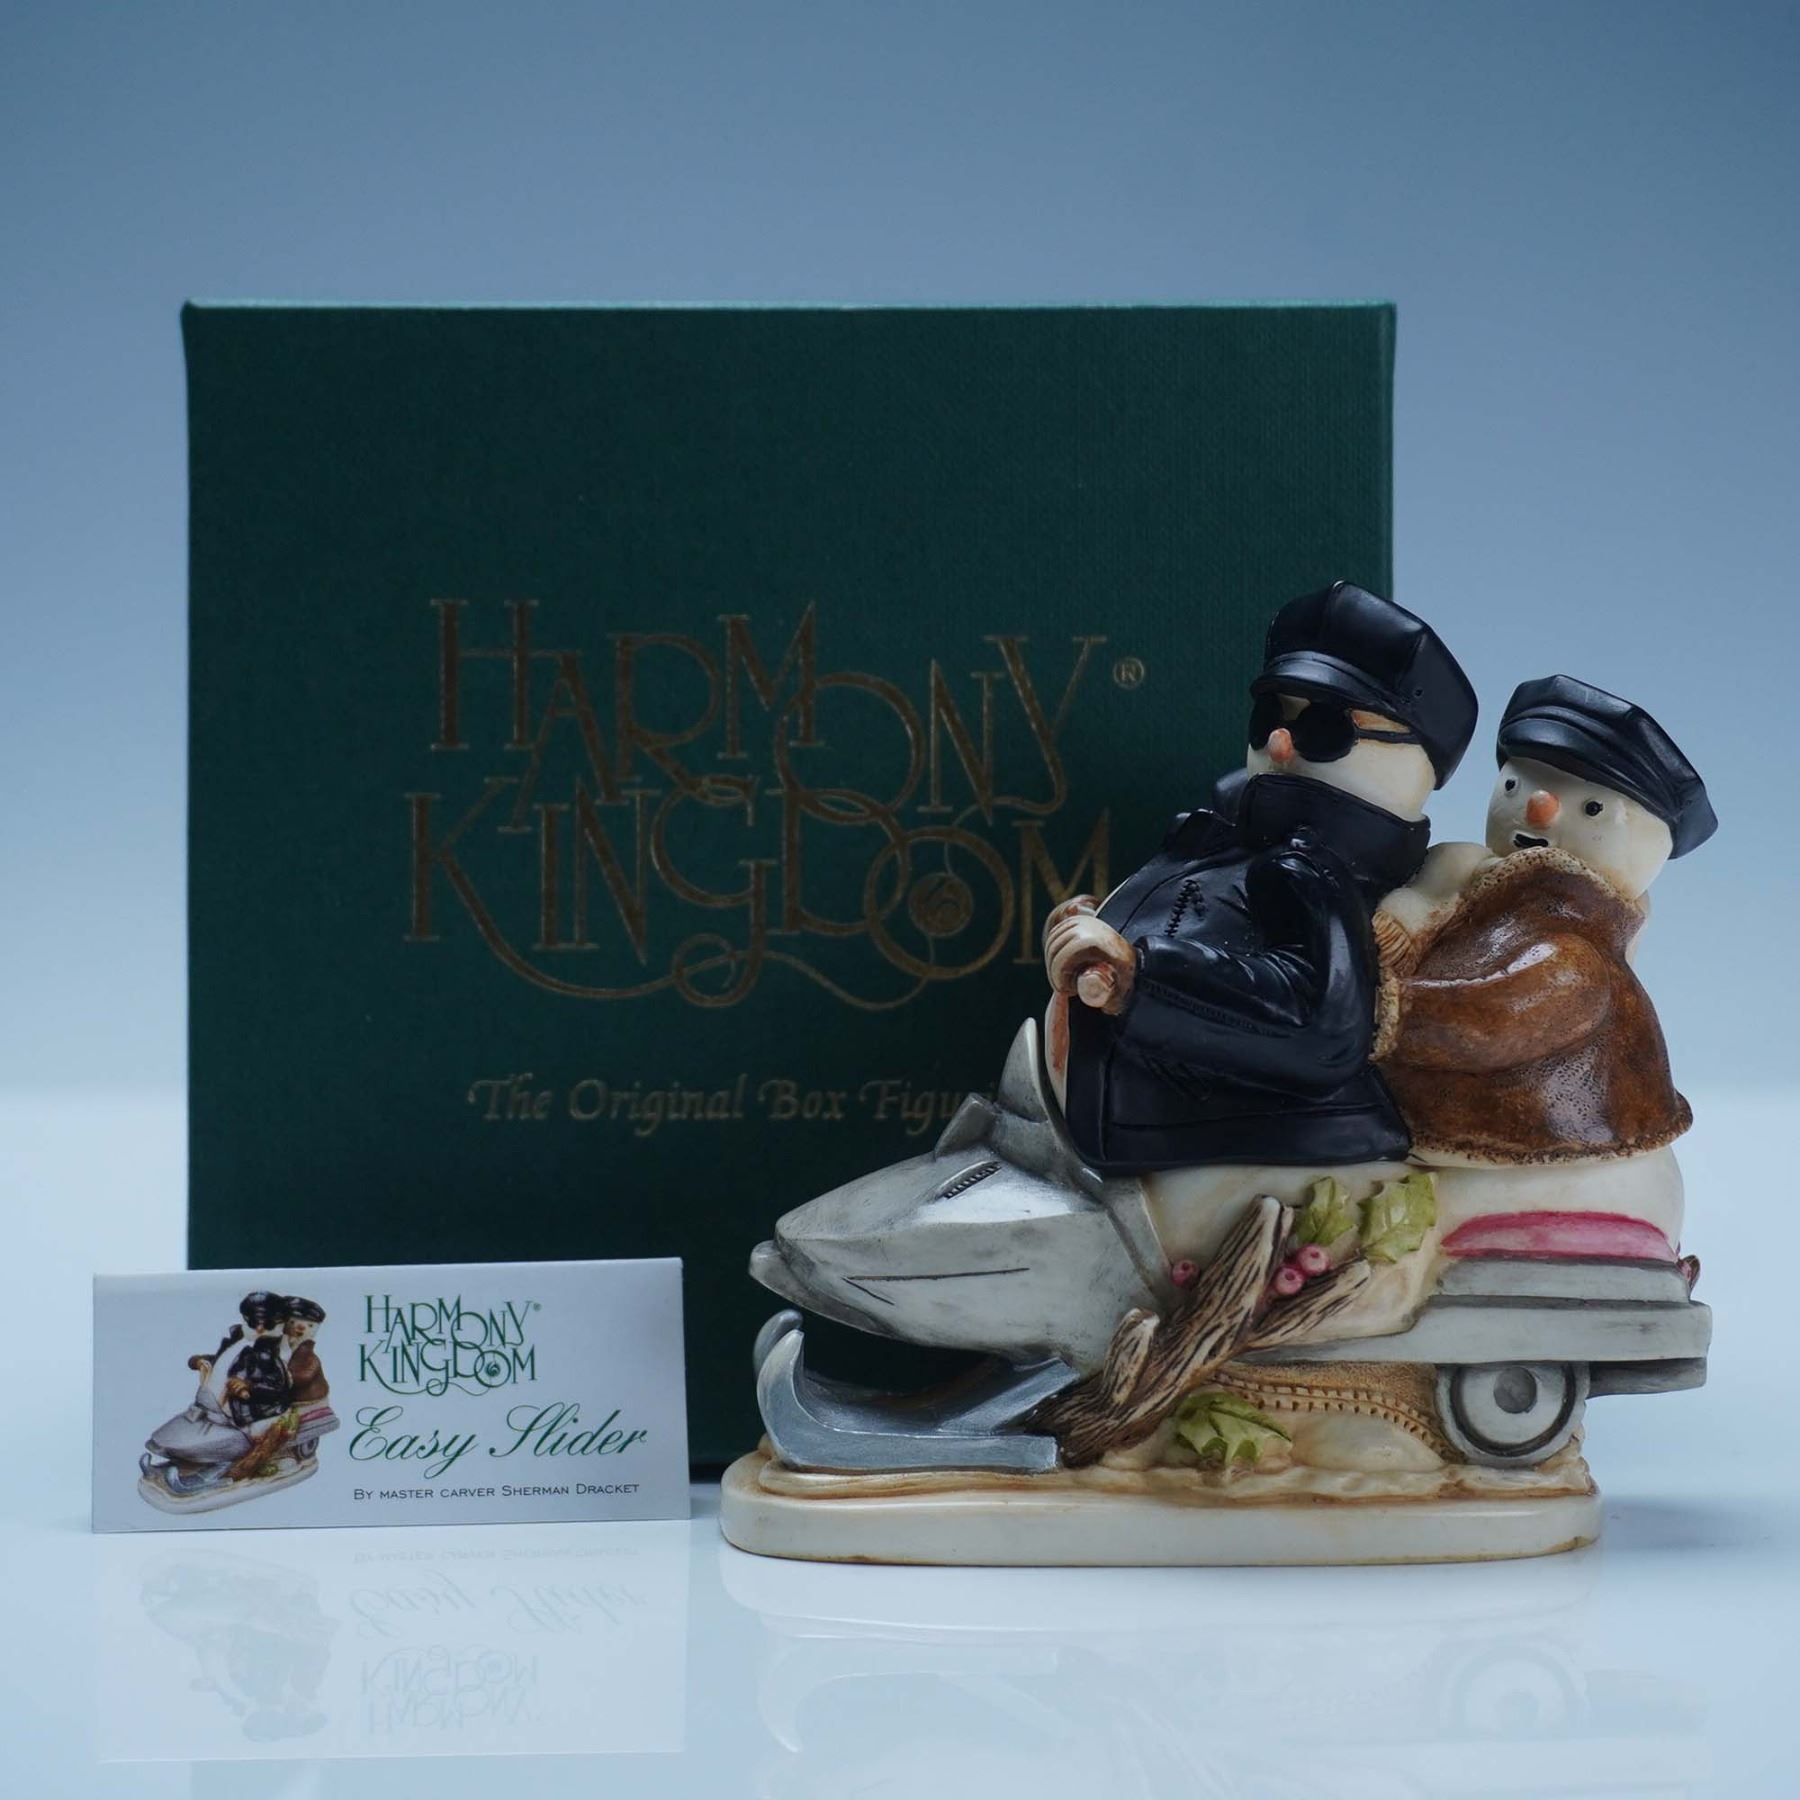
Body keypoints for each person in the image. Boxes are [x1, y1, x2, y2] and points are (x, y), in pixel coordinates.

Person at [1045, 579, 1479, 1174]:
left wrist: (1140, 976)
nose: (1278, 742)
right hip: (1106, 1126)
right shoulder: (1233, 836)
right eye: (1269, 716)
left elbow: (1321, 1027)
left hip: (1225, 1151)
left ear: (1416, 763)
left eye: (1324, 728)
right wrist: (1110, 919)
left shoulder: (1312, 873)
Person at [1378, 674, 1715, 1171]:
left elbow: (1492, 1017)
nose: (1538, 809)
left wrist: (1380, 1009)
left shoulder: (1569, 953)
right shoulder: (1483, 894)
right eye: (1514, 786)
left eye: (1591, 808)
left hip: (1526, 1143)